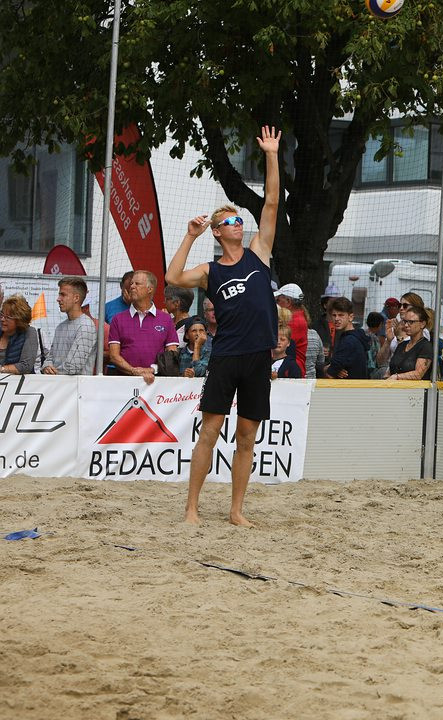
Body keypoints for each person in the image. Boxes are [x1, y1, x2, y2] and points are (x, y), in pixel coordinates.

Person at [164, 125, 280, 527]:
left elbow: (271, 201)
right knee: (210, 431)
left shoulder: (258, 253)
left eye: (237, 218)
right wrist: (189, 235)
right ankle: (192, 508)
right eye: (230, 220)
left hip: (257, 357)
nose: (238, 223)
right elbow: (172, 276)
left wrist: (271, 153)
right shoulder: (209, 269)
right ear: (217, 230)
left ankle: (236, 511)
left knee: (246, 436)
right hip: (227, 355)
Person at [108, 270, 180, 384]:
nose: (132, 287)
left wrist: (152, 370)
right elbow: (114, 356)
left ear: (150, 289)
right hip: (124, 382)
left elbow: (172, 355)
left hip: (156, 383)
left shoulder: (166, 319)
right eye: (131, 283)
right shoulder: (118, 319)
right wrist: (134, 371)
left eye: (137, 284)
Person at [42, 277, 96, 376]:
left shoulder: (86, 326)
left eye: (63, 295)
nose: (58, 299)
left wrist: (52, 373)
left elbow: (73, 367)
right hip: (57, 386)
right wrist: (47, 367)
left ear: (76, 298)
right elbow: (50, 358)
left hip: (77, 389)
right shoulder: (60, 327)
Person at [324, 297, 370, 380]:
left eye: (341, 315)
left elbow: (329, 374)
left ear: (351, 317)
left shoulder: (348, 341)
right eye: (334, 315)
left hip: (349, 390)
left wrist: (327, 369)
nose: (336, 319)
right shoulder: (355, 337)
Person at [387, 305, 432, 381]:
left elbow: (418, 374)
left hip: (415, 391)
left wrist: (397, 377)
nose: (406, 325)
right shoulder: (401, 345)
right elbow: (389, 371)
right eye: (405, 321)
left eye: (411, 322)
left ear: (422, 324)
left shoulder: (426, 346)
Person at [0, 295, 40, 375]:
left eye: (8, 317)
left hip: (20, 385)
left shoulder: (29, 332)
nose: (2, 319)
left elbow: (26, 366)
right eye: (2, 315)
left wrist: (2, 369)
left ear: (19, 319)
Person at [274, 283, 308, 369]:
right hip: (287, 366)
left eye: (278, 300)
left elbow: (280, 347)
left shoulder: (295, 321)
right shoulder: (298, 317)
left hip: (290, 370)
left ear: (288, 301)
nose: (276, 303)